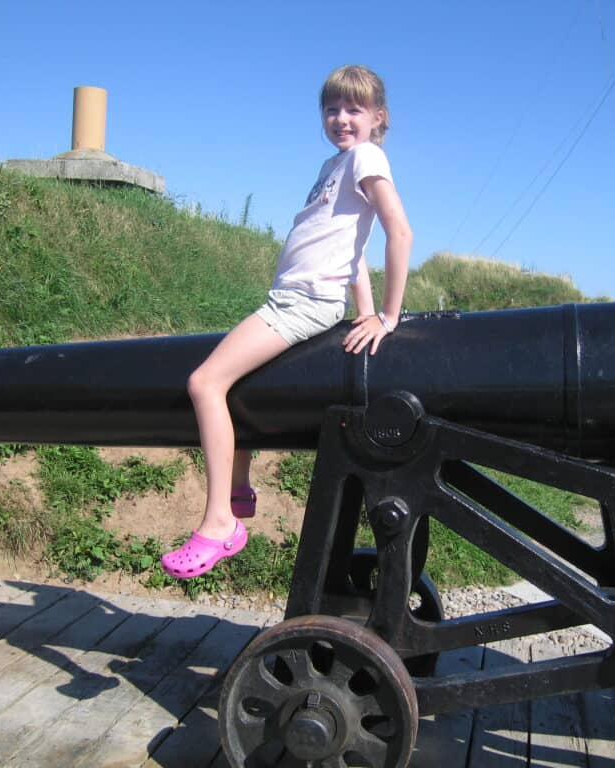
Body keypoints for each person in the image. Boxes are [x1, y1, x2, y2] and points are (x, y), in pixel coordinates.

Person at [161, 64, 413, 579]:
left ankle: (219, 523)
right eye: (332, 109)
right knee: (242, 379)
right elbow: (355, 251)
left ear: (378, 117)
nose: (341, 118)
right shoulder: (334, 166)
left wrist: (388, 316)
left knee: (204, 382)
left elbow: (399, 230)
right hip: (298, 297)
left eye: (354, 109)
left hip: (302, 302)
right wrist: (362, 310)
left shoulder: (367, 156)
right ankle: (238, 485)